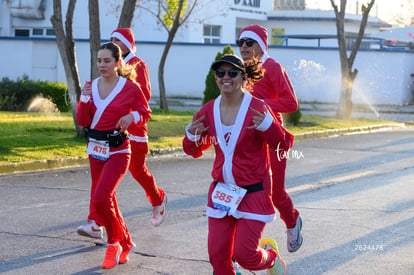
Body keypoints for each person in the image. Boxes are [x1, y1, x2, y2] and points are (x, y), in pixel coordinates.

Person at [183, 54, 293, 275]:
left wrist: (268, 126)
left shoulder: (258, 108)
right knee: (218, 257)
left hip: (253, 193)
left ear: (243, 77)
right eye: (221, 73)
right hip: (222, 193)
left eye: (232, 73)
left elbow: (283, 145)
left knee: (246, 256)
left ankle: (270, 257)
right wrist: (192, 135)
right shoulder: (209, 110)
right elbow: (192, 151)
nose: (226, 77)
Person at [77, 28, 167, 240]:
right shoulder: (100, 74)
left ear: (127, 43)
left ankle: (158, 199)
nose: (113, 42)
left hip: (133, 133)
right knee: (102, 183)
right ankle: (97, 223)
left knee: (137, 171)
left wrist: (130, 117)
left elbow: (143, 98)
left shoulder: (138, 64)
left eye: (118, 40)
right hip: (105, 136)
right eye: (111, 39)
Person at [76, 42, 151, 269]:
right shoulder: (91, 86)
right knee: (109, 201)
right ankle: (126, 242)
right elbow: (82, 121)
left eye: (107, 61)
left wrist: (132, 118)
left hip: (119, 151)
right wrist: (84, 99)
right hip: (95, 150)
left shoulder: (129, 88)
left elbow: (145, 112)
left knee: (101, 199)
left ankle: (114, 243)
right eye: (99, 61)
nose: (102, 65)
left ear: (118, 63)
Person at [237, 24, 303, 253]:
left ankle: (292, 220)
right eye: (240, 42)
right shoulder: (239, 70)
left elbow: (291, 103)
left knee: (276, 193)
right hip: (249, 138)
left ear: (261, 45)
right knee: (253, 190)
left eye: (249, 42)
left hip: (274, 137)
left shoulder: (273, 67)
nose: (243, 47)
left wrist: (263, 105)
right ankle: (246, 246)